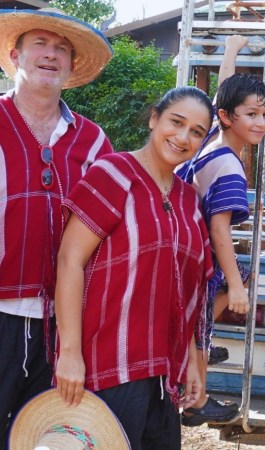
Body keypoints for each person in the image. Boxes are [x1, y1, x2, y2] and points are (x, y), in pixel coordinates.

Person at [53, 86, 214, 449]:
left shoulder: (188, 198)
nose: (183, 137)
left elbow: (184, 289)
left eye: (196, 132)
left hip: (163, 374)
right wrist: (70, 353)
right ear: (155, 118)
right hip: (110, 366)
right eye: (176, 122)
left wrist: (193, 362)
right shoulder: (114, 174)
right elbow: (69, 260)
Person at [0, 8, 113, 448]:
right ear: (15, 56)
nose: (51, 55)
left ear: (70, 66)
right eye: (40, 45)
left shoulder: (94, 140)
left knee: (43, 439)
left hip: (60, 326)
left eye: (61, 49)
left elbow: (106, 231)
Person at [177, 34, 265, 427]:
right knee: (201, 320)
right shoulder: (230, 167)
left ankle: (202, 344)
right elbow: (219, 231)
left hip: (184, 248)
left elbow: (222, 98)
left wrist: (231, 52)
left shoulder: (211, 140)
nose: (261, 123)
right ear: (230, 118)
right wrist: (235, 286)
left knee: (203, 319)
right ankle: (196, 402)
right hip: (198, 256)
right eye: (252, 115)